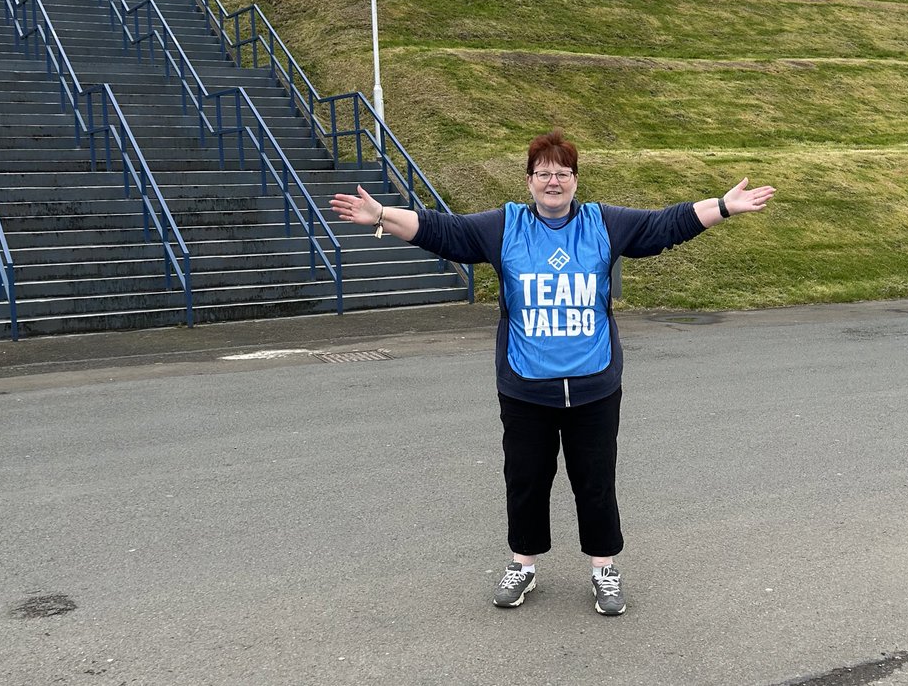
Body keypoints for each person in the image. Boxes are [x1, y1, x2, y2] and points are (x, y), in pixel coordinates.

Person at [329, 129, 775, 616]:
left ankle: (604, 569)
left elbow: (663, 226)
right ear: (529, 181)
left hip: (594, 385)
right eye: (544, 173)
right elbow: (444, 231)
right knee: (526, 479)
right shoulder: (506, 226)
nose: (554, 182)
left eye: (563, 173)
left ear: (575, 180)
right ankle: (523, 564)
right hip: (525, 388)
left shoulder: (604, 223)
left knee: (596, 481)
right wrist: (382, 217)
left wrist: (723, 206)